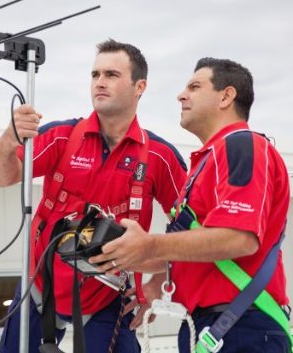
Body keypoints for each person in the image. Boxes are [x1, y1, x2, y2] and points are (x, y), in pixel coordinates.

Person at [0, 39, 187, 352]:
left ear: (140, 86)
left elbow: (192, 229)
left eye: (111, 74)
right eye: (95, 75)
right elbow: (1, 176)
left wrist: (157, 282)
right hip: (41, 285)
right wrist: (9, 136)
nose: (100, 82)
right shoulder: (62, 136)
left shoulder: (159, 156)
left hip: (109, 296)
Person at [90, 58, 291, 352]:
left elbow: (240, 237)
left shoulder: (241, 145)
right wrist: (127, 258)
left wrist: (150, 246)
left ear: (226, 96)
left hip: (241, 326)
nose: (181, 95)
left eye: (195, 87)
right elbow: (201, 247)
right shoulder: (205, 163)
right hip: (213, 326)